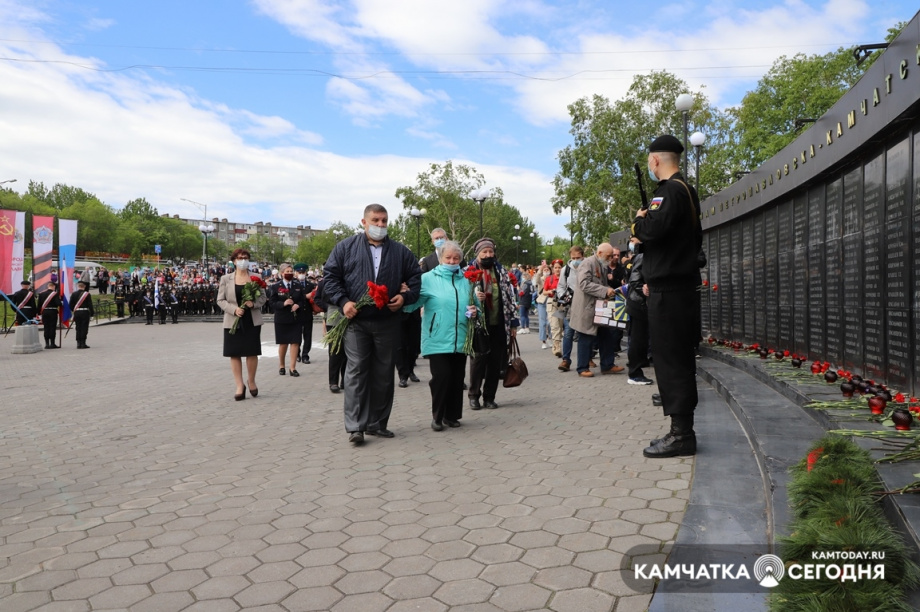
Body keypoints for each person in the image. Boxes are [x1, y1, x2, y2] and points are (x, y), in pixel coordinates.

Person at [322, 204, 422, 445]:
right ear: (364, 222)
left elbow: (416, 279)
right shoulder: (345, 247)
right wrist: (344, 302)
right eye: (375, 220)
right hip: (356, 321)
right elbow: (330, 278)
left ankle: (378, 423)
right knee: (356, 371)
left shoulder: (400, 251)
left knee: (383, 373)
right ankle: (356, 426)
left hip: (387, 322)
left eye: (384, 221)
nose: (380, 225)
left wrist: (405, 298)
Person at [632, 134, 703, 458]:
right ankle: (680, 430)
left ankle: (681, 435)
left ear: (655, 160)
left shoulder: (669, 191)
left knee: (671, 361)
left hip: (669, 292)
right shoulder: (686, 191)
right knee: (676, 359)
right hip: (678, 289)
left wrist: (639, 221)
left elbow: (652, 233)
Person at [404, 241, 477, 430]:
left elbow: (476, 306)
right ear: (440, 258)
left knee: (456, 377)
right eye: (448, 258)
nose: (452, 261)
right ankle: (438, 415)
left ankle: (452, 416)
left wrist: (475, 311)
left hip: (461, 336)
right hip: (437, 337)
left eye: (456, 258)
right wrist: (404, 296)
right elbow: (413, 303)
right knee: (441, 377)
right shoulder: (428, 278)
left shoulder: (467, 279)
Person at [466, 238, 519, 410]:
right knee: (478, 360)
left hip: (499, 323)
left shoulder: (501, 271)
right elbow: (462, 295)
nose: (488, 255)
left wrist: (513, 324)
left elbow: (510, 298)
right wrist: (474, 296)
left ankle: (489, 397)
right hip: (479, 324)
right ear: (478, 254)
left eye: (490, 252)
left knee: (496, 363)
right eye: (484, 252)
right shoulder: (469, 271)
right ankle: (474, 395)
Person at [217, 248, 268, 401]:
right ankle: (239, 385)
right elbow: (220, 300)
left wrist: (253, 304)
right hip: (233, 319)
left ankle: (251, 380)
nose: (242, 260)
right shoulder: (226, 279)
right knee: (234, 352)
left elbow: (263, 298)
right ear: (234, 261)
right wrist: (234, 309)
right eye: (239, 258)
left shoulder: (256, 277)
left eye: (245, 257)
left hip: (251, 319)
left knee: (252, 352)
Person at [569, 243, 623, 377]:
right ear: (599, 253)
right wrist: (605, 290)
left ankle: (607, 365)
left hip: (598, 309)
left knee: (606, 336)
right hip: (586, 308)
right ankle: (582, 368)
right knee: (585, 337)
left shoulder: (601, 265)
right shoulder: (587, 264)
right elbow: (584, 284)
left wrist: (611, 291)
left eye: (612, 256)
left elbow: (602, 284)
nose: (611, 259)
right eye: (609, 256)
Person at [625, 239, 653, 385]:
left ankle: (638, 369)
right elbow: (635, 281)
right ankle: (634, 374)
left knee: (641, 339)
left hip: (642, 305)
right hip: (638, 305)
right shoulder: (642, 256)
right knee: (637, 340)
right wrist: (644, 289)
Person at [271, 263, 306, 377]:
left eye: (291, 271)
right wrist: (283, 303)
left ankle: (293, 367)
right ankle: (282, 365)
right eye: (287, 271)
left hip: (295, 318)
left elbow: (302, 300)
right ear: (282, 273)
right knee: (283, 343)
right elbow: (272, 303)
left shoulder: (298, 285)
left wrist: (298, 305)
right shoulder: (276, 286)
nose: (290, 273)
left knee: (295, 342)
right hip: (282, 318)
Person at [555, 246, 584, 372]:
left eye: (578, 258)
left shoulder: (587, 267)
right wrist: (563, 296)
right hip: (570, 305)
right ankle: (566, 360)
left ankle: (586, 358)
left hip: (584, 304)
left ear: (583, 256)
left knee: (584, 333)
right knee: (568, 332)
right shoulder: (565, 270)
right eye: (573, 258)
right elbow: (560, 286)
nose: (576, 260)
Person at [294, 263, 317, 365]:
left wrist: (316, 308)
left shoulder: (311, 285)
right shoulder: (293, 285)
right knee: (297, 335)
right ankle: (297, 353)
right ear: (296, 273)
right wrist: (305, 296)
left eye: (303, 272)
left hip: (308, 313)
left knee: (307, 336)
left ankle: (305, 355)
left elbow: (315, 298)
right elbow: (293, 298)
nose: (301, 274)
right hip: (297, 314)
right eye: (299, 272)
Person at [543, 259, 564, 357]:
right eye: (555, 268)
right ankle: (557, 347)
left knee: (559, 326)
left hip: (561, 304)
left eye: (559, 267)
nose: (557, 269)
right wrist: (550, 291)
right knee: (554, 325)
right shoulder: (549, 279)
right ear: (553, 268)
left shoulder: (564, 279)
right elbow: (544, 291)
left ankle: (557, 345)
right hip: (552, 303)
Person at [69, 279, 95, 349]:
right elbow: (90, 305)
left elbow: (70, 305)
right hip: (85, 312)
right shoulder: (87, 294)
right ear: (84, 286)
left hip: (77, 312)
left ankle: (78, 343)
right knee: (84, 328)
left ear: (78, 286)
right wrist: (92, 314)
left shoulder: (74, 294)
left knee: (78, 328)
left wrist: (74, 310)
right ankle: (83, 343)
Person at [533, 262, 551, 349]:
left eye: (547, 270)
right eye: (545, 270)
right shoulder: (541, 279)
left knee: (551, 322)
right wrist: (540, 270)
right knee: (543, 322)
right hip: (542, 301)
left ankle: (550, 338)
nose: (546, 271)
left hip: (551, 301)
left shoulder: (552, 279)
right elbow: (536, 280)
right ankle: (543, 341)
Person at [38, 281, 61, 349]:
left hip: (44, 312)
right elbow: (58, 303)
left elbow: (39, 305)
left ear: (48, 286)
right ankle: (52, 343)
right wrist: (61, 302)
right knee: (52, 327)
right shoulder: (55, 294)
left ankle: (47, 344)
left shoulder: (41, 294)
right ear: (53, 287)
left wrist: (39, 313)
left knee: (46, 327)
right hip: (53, 311)